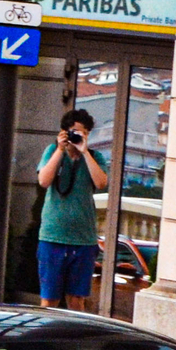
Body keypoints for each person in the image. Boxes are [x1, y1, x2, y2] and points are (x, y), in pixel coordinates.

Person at [35, 107, 108, 312]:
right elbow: (44, 180)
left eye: (82, 133)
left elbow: (102, 183)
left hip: (83, 240)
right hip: (53, 238)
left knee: (76, 301)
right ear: (64, 133)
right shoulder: (52, 152)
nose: (77, 136)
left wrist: (84, 152)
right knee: (49, 300)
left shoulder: (95, 157)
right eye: (73, 132)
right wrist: (60, 150)